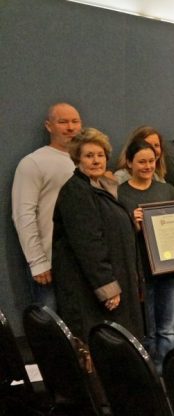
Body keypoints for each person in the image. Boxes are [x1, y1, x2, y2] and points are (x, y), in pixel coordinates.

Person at [52, 128, 143, 339]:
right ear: (77, 159)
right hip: (91, 292)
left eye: (100, 155)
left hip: (118, 280)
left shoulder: (104, 186)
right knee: (103, 345)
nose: (96, 161)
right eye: (89, 156)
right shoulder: (76, 190)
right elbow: (89, 243)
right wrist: (107, 288)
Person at [118, 138, 174, 372]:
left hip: (173, 271)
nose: (147, 166)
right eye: (141, 162)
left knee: (168, 330)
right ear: (129, 163)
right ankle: (150, 376)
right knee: (147, 330)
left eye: (151, 161)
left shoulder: (166, 190)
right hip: (141, 272)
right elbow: (117, 237)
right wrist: (133, 224)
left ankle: (167, 374)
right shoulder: (120, 194)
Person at [12, 103, 81, 311]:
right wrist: (38, 262)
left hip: (81, 263)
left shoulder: (87, 161)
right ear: (49, 126)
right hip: (49, 264)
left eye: (75, 121)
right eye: (63, 122)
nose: (70, 127)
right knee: (50, 324)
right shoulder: (33, 163)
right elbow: (23, 215)